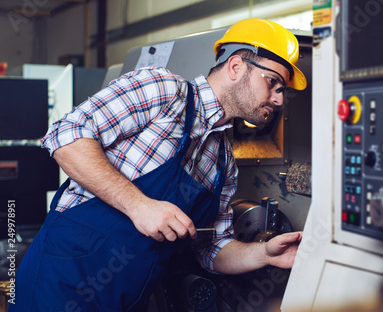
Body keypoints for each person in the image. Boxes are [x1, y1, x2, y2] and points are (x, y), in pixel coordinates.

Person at [12, 18, 307, 311]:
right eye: (273, 83)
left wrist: (264, 254)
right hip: (61, 284)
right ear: (235, 67)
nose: (279, 99)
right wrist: (139, 206)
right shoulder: (164, 91)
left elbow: (212, 249)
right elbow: (66, 135)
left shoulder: (223, 162)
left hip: (128, 299)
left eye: (283, 90)